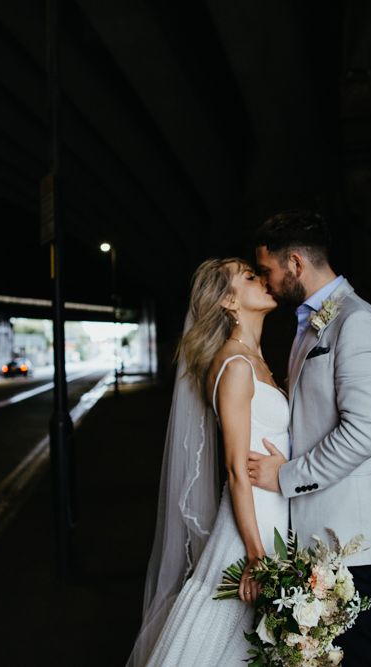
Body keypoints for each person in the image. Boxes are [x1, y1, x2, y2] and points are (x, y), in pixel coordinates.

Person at [248, 209, 371, 666]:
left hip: (348, 529)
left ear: (295, 264)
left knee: (357, 651)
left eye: (269, 271)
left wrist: (286, 476)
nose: (267, 281)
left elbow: (363, 433)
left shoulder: (356, 322)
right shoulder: (316, 320)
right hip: (321, 525)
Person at [126, 258, 290, 666]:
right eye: (250, 277)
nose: (263, 279)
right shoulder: (235, 366)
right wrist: (255, 556)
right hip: (249, 528)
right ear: (228, 301)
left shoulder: (256, 360)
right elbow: (236, 469)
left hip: (273, 516)